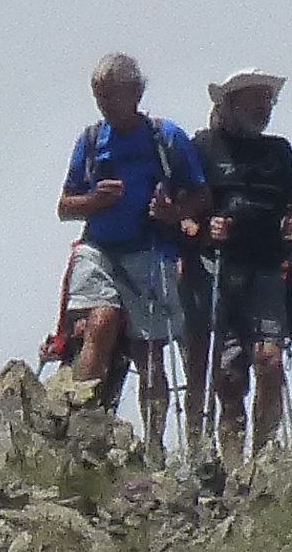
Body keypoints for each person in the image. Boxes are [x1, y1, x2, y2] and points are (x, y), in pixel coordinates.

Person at [55, 53, 206, 457]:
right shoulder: (91, 140)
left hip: (150, 250)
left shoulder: (165, 137)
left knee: (149, 352)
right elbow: (65, 206)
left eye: (110, 95)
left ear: (135, 93)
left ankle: (154, 446)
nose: (104, 104)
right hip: (99, 248)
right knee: (99, 321)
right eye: (98, 96)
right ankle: (82, 423)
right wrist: (95, 201)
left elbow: (201, 195)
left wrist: (172, 213)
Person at [187, 70, 292, 465]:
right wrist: (204, 228)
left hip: (266, 269)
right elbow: (186, 206)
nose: (263, 107)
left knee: (270, 361)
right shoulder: (203, 146)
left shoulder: (280, 152)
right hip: (215, 269)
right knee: (228, 376)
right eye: (254, 99)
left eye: (267, 100)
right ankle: (230, 461)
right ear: (229, 104)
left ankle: (262, 457)